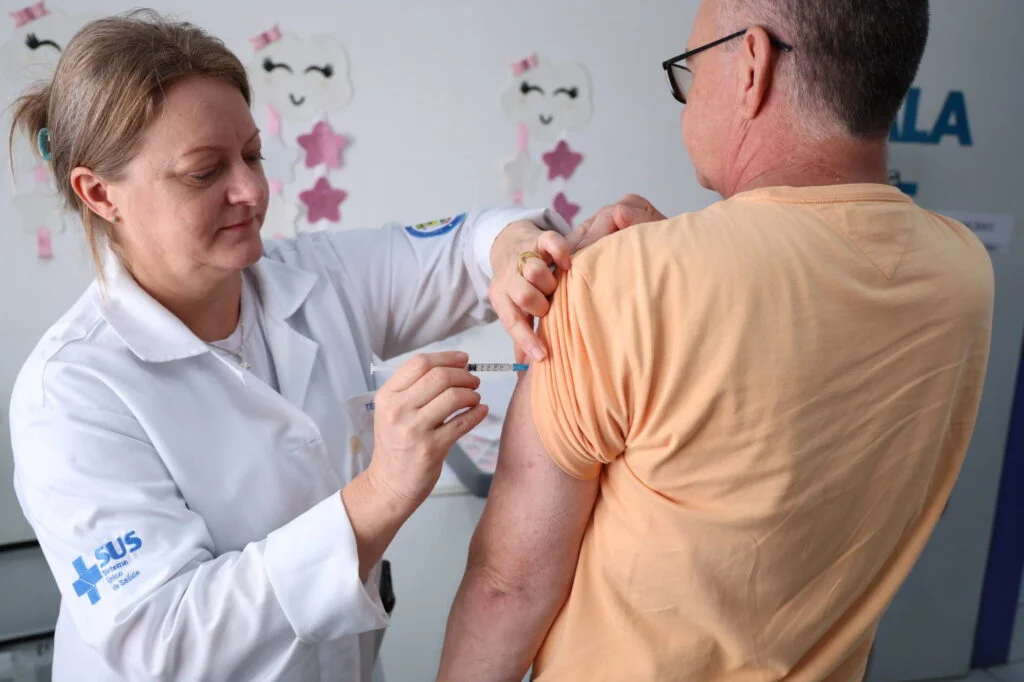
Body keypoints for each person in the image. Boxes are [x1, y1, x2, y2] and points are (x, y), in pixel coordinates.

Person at [5, 10, 651, 682]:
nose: (250, 190)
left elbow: (470, 242)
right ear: (99, 193)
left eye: (253, 155)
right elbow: (165, 643)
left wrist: (522, 252)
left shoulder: (316, 278)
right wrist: (382, 492)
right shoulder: (71, 393)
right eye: (204, 172)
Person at [438, 0, 994, 680]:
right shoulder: (963, 272)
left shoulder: (624, 284)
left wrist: (643, 274)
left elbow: (508, 587)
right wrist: (670, 264)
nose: (687, 98)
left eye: (691, 71)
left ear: (752, 66)